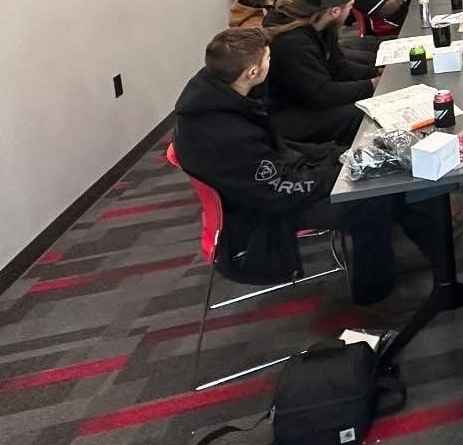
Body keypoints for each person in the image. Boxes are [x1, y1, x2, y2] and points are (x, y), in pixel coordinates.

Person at [173, 27, 434, 304]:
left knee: (373, 168)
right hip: (258, 214)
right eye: (268, 58)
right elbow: (278, 190)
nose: (271, 64)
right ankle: (375, 298)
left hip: (263, 188)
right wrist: (339, 173)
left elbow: (279, 150)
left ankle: (427, 239)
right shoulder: (225, 133)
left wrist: (338, 155)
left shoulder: (223, 94)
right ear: (252, 72)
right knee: (369, 198)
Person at [263, 0, 379, 146]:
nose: (349, 13)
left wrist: (378, 73)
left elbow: (340, 68)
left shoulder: (323, 25)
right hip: (288, 113)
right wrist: (371, 85)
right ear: (335, 11)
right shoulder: (293, 42)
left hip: (309, 97)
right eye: (350, 7)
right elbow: (321, 94)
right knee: (366, 113)